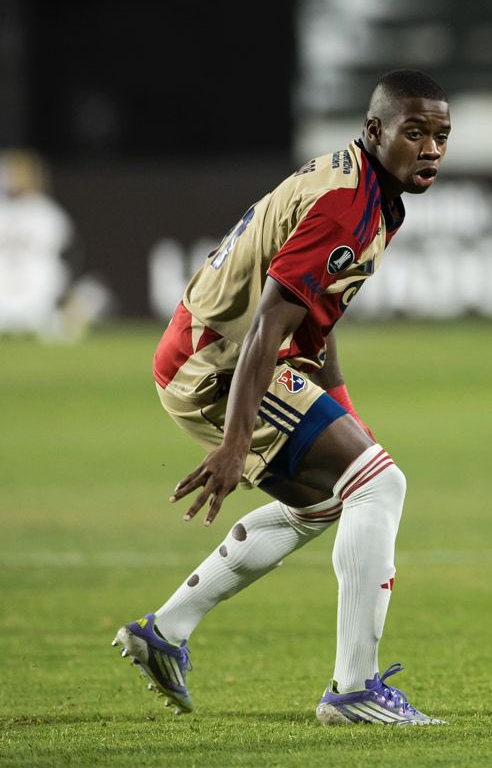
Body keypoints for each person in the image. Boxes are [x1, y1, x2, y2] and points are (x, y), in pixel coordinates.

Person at [115, 70, 453, 725]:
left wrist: (344, 412)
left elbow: (308, 322)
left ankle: (165, 632)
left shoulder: (365, 186)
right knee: (378, 487)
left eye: (441, 135)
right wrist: (235, 443)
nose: (431, 148)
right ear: (375, 130)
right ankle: (352, 691)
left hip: (218, 354)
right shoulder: (349, 203)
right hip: (218, 364)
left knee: (330, 499)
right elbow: (270, 322)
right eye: (415, 132)